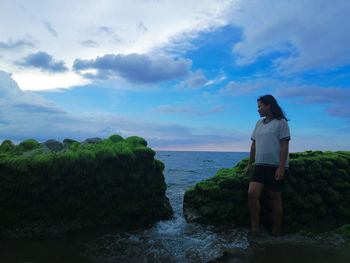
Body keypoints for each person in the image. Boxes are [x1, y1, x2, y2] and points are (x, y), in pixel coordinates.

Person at [244, 94, 290, 236]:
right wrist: (250, 164)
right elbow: (254, 144)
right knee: (252, 194)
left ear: (269, 105)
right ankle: (255, 228)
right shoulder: (258, 124)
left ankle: (276, 230)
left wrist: (281, 167)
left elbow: (284, 146)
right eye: (258, 106)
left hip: (275, 166)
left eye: (260, 106)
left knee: (275, 198)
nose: (258, 109)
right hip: (260, 166)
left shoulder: (281, 122)